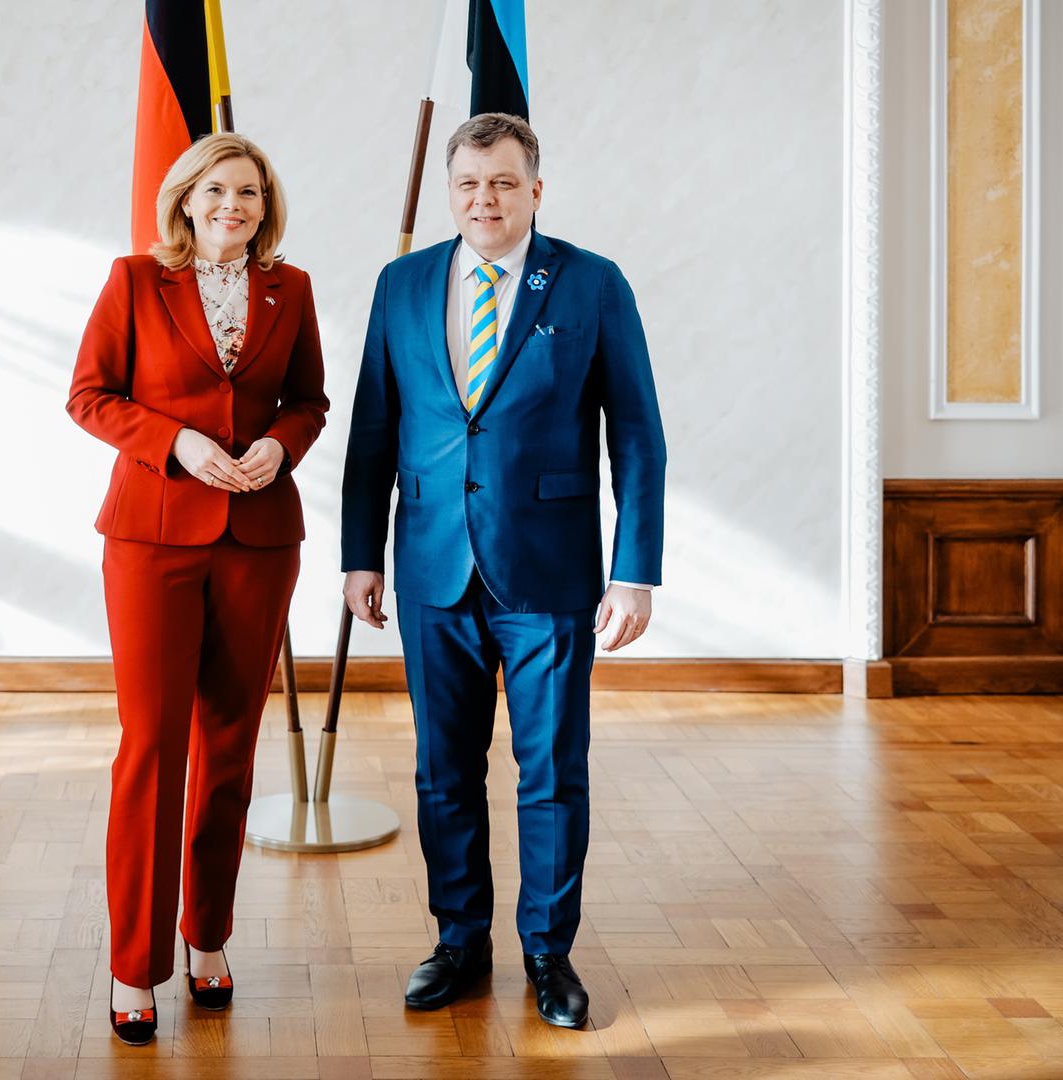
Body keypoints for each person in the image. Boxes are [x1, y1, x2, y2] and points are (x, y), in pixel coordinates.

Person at [340, 112, 666, 1029]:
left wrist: (634, 570)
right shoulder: (401, 285)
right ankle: (459, 940)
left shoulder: (592, 283)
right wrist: (361, 553)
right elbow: (373, 428)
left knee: (551, 768)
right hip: (432, 565)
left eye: (503, 183)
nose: (485, 200)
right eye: (468, 185)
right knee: (443, 769)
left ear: (535, 189)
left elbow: (638, 437)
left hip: (551, 572)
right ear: (451, 192)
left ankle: (548, 953)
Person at [69, 132, 328, 1046]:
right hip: (151, 540)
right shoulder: (135, 280)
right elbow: (90, 395)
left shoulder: (288, 289)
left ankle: (207, 938)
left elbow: (310, 401)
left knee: (229, 748)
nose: (234, 207)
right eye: (218, 190)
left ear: (267, 205)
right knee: (150, 749)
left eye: (250, 193)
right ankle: (133, 963)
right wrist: (175, 443)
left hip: (259, 539)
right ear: (184, 198)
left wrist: (278, 446)